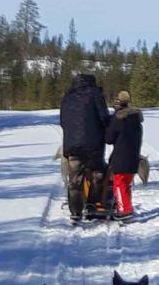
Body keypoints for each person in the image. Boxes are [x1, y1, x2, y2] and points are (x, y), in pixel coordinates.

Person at [59, 73, 112, 218]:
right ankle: (92, 205)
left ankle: (75, 210)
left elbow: (62, 121)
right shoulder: (95, 93)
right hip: (93, 144)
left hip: (71, 146)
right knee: (96, 172)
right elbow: (103, 117)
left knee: (75, 178)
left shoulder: (67, 97)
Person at [104, 90, 144, 219]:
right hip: (134, 156)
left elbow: (109, 138)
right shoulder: (137, 119)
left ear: (118, 102)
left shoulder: (118, 118)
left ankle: (124, 210)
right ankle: (128, 207)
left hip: (121, 156)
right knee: (126, 184)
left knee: (119, 184)